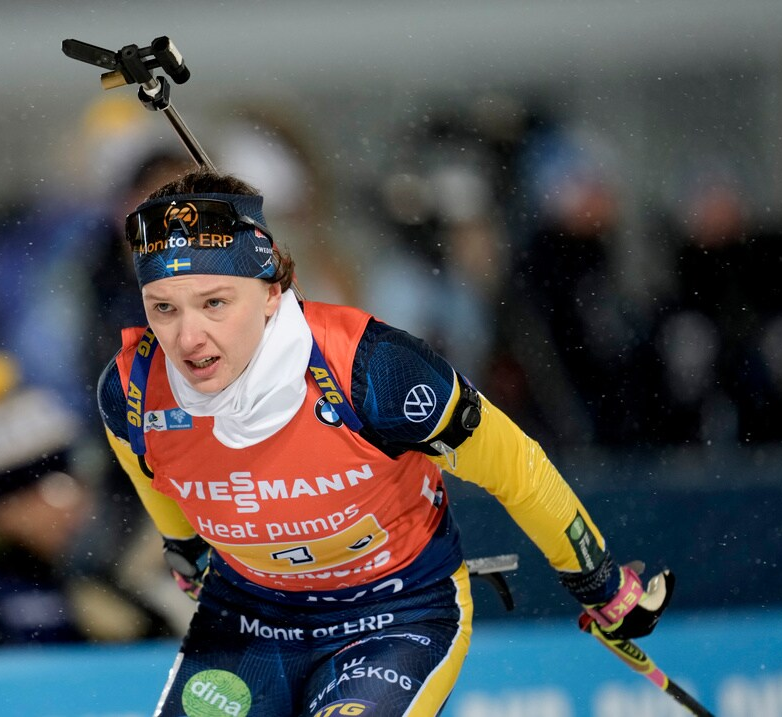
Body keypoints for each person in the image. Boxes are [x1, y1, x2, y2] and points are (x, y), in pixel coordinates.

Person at [97, 168, 675, 716]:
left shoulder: (375, 371)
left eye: (215, 303)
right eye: (163, 308)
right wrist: (184, 546)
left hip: (395, 615)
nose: (188, 338)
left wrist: (598, 582)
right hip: (250, 616)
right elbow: (147, 466)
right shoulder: (133, 390)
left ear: (272, 292)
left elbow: (516, 468)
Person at [0, 351, 171, 650]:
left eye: (80, 487)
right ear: (5, 505)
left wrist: (133, 628)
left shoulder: (69, 578)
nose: (77, 508)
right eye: (58, 490)